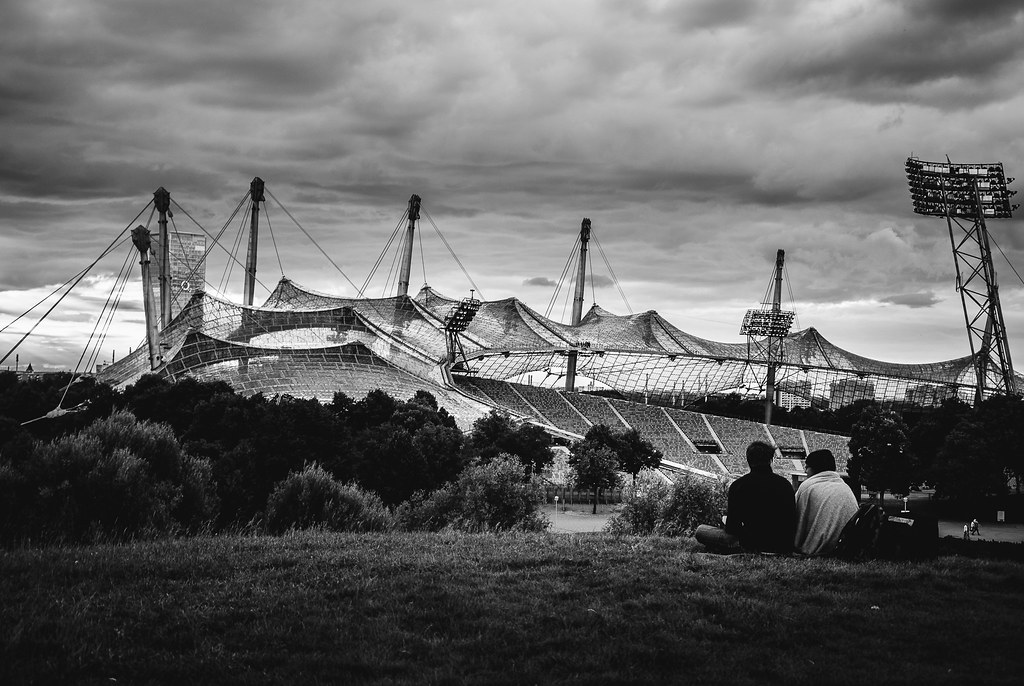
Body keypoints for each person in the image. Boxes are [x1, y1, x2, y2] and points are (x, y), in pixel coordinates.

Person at [695, 441, 796, 554]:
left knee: (701, 530)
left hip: (752, 543)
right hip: (781, 543)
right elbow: (791, 520)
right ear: (771, 460)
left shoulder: (738, 485)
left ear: (748, 460)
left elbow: (732, 528)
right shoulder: (785, 484)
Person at [793, 449, 860, 556]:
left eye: (807, 467)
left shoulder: (807, 487)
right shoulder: (845, 487)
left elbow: (796, 520)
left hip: (819, 549)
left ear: (814, 468)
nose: (805, 471)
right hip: (847, 548)